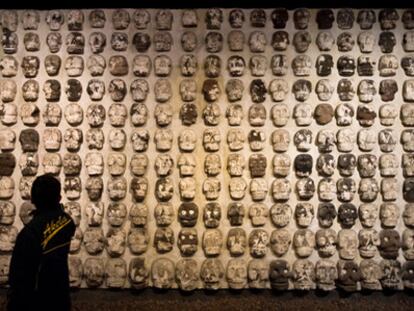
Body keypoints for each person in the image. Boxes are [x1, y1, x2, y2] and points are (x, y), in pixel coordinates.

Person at [7, 174, 76, 311]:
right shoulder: (67, 222)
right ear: (59, 197)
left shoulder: (29, 233)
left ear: (33, 199)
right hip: (60, 295)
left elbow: (18, 277)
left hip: (36, 300)